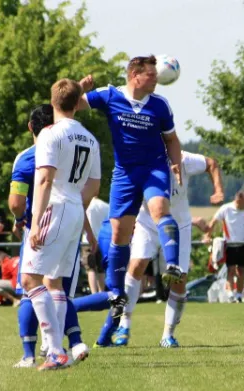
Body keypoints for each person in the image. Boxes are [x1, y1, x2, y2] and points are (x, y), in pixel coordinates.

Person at [77, 55, 184, 317]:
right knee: (119, 234)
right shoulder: (109, 95)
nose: (156, 79)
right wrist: (81, 88)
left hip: (154, 169)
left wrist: (176, 164)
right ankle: (115, 293)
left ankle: (173, 265)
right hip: (124, 174)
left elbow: (171, 139)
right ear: (135, 75)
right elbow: (72, 105)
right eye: (151, 74)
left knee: (160, 209)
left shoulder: (160, 105)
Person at [20, 79, 101, 371]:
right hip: (76, 209)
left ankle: (55, 351)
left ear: (52, 102)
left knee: (29, 279)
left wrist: (37, 221)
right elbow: (95, 184)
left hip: (54, 208)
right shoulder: (90, 138)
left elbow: (43, 179)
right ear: (78, 102)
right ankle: (59, 350)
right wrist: (74, 203)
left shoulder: (49, 134)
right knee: (54, 282)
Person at [113, 150, 224, 347]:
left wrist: (218, 189)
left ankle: (168, 335)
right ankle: (124, 324)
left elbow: (212, 163)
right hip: (148, 223)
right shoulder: (143, 156)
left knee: (179, 279)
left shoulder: (184, 159)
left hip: (179, 225)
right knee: (137, 264)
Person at [205, 192, 244, 303]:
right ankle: (231, 295)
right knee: (230, 270)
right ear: (238, 200)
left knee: (241, 271)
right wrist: (208, 236)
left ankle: (239, 295)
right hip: (230, 245)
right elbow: (213, 221)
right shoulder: (226, 209)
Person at [81, 197, 109, 293]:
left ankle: (94, 294)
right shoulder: (103, 205)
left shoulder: (84, 205)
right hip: (102, 240)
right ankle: (102, 292)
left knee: (90, 269)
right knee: (101, 269)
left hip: (87, 241)